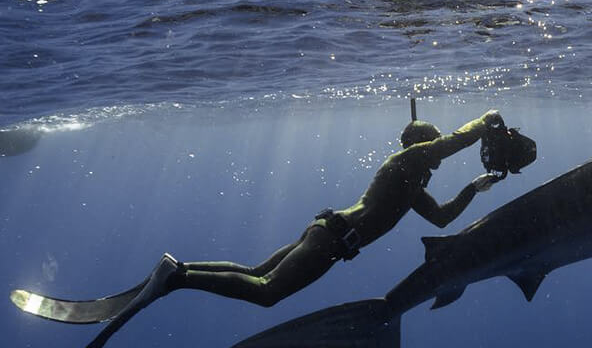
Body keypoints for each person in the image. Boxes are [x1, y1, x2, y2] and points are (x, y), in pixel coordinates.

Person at [139, 110, 509, 309]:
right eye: (433, 143)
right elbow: (454, 142)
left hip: (329, 233)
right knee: (267, 292)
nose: (437, 152)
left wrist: (473, 188)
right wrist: (486, 119)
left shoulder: (410, 185)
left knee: (257, 273)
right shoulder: (407, 160)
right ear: (422, 144)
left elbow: (441, 218)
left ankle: (179, 270)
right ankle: (176, 280)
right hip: (332, 239)